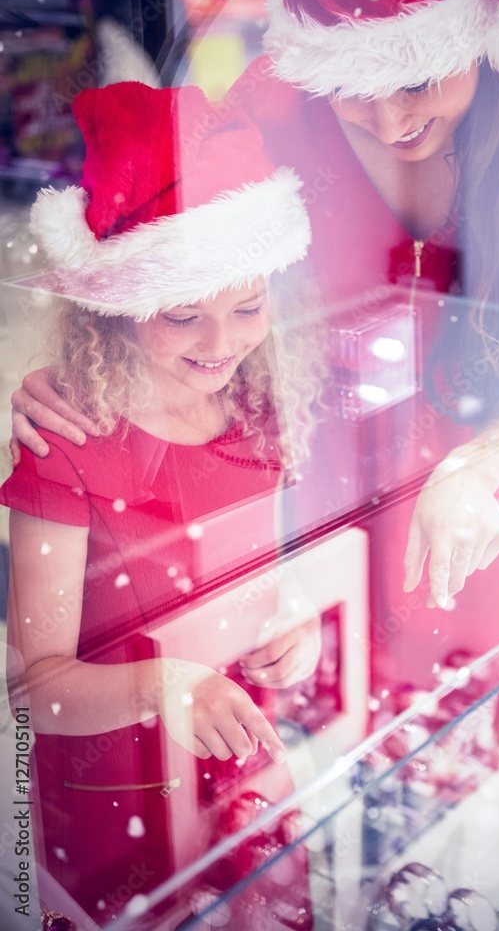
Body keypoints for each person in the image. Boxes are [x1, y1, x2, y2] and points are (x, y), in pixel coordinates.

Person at [10, 0, 499, 710]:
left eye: (417, 78)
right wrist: (79, 369)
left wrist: (477, 469)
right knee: (295, 726)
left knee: (459, 730)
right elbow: (174, 268)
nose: (385, 118)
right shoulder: (271, 106)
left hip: (474, 491)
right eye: (350, 86)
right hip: (300, 481)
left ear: (481, 37)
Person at [1, 81, 321, 926]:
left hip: (238, 764)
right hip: (115, 787)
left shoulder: (258, 410)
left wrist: (289, 621)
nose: (223, 343)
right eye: (183, 318)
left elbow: (252, 582)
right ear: (115, 314)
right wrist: (166, 686)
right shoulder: (65, 444)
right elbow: (36, 692)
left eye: (247, 306)